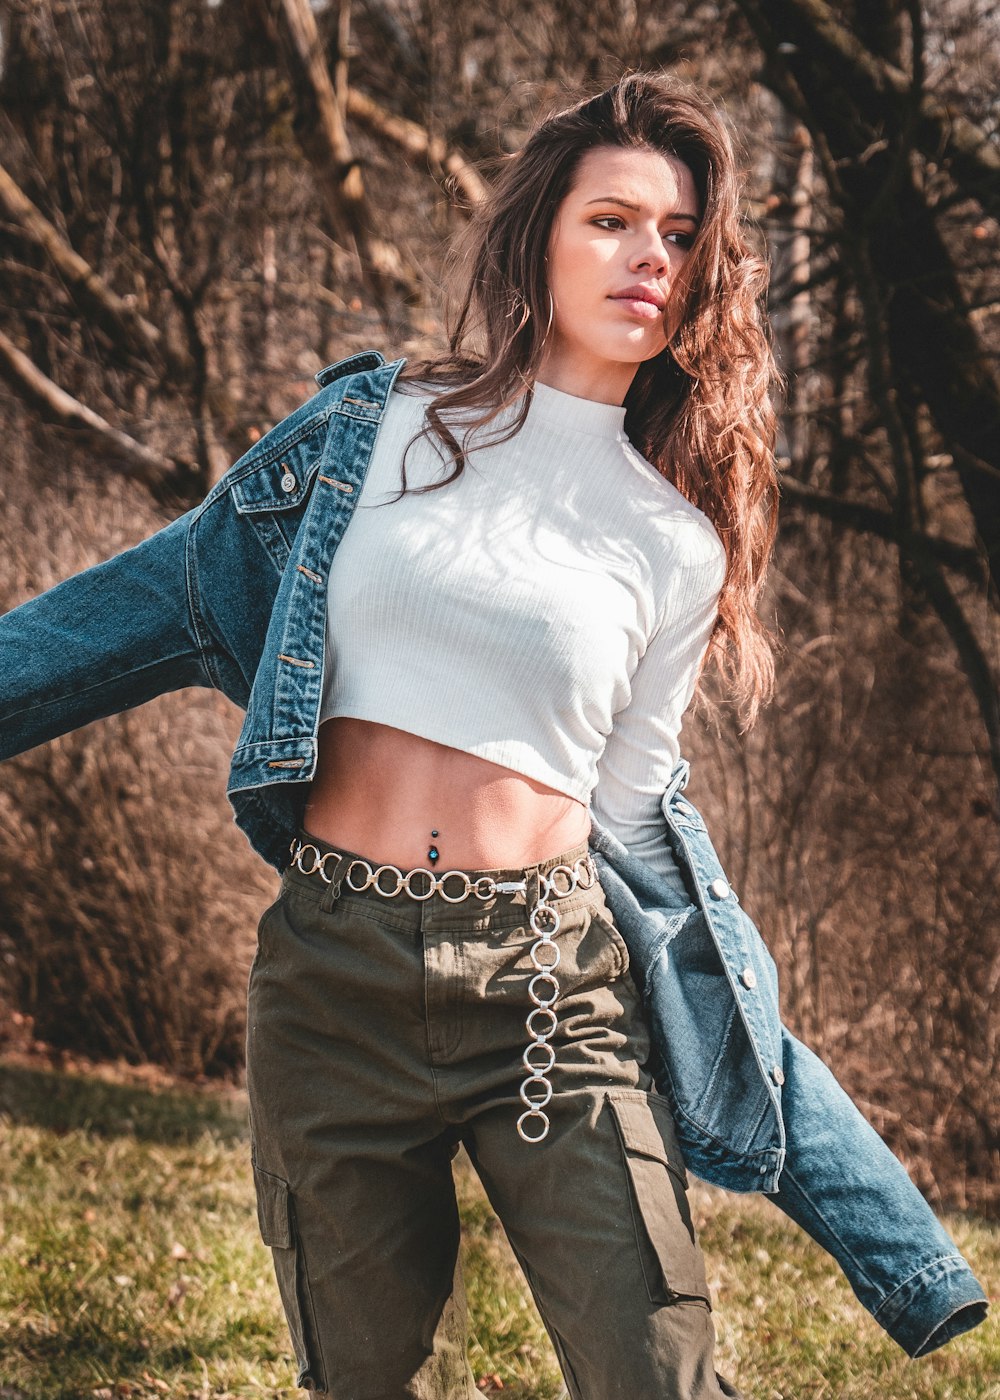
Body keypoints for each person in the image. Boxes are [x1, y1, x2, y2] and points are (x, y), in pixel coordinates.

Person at [0, 72, 987, 1399]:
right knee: (360, 1377)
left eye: (682, 235)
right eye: (612, 220)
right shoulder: (369, 435)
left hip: (551, 990)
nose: (649, 256)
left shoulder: (673, 540)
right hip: (333, 977)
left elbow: (636, 814)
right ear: (538, 238)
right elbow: (134, 609)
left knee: (655, 1371)